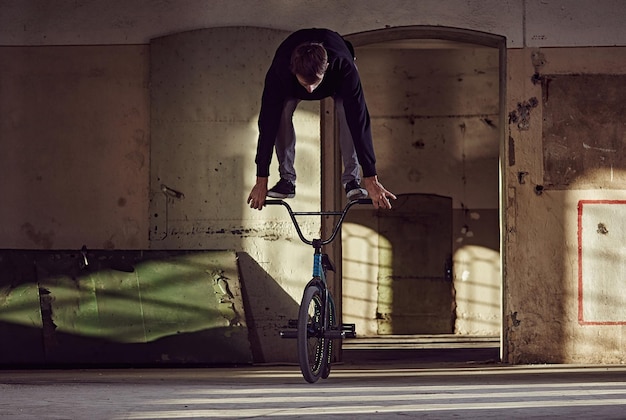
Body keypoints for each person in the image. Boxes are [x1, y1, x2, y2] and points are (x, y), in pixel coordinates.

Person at [247, 28, 396, 210]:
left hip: (335, 81)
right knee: (281, 113)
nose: (310, 91)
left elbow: (360, 122)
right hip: (289, 82)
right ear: (293, 71)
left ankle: (351, 181)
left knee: (347, 113)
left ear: (326, 68)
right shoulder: (280, 70)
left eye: (314, 82)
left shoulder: (344, 67)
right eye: (304, 84)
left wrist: (371, 178)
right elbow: (267, 124)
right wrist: (261, 179)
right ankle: (287, 180)